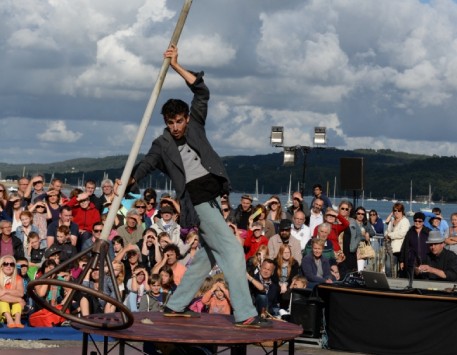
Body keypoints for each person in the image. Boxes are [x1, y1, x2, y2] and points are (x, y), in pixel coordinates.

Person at [127, 45, 265, 327]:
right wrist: (131, 178)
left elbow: (202, 92)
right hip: (197, 201)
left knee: (206, 257)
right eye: (171, 123)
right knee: (233, 251)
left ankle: (176, 304)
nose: (176, 127)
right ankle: (245, 312)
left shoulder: (195, 126)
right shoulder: (162, 144)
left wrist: (176, 65)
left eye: (179, 121)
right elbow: (147, 163)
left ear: (186, 119)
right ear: (165, 123)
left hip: (213, 198)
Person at [399, 212, 430, 279]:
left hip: (425, 260)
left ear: (423, 222)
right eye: (415, 220)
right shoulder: (410, 232)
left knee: (424, 279)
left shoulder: (428, 232)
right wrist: (401, 261)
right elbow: (404, 246)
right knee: (411, 278)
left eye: (420, 221)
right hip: (411, 260)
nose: (417, 222)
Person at [385, 203, 410, 278]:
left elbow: (402, 233)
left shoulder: (405, 221)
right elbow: (386, 231)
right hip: (390, 249)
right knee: (388, 268)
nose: (397, 212)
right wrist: (387, 234)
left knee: (402, 269)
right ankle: (389, 282)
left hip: (401, 249)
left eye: (399, 210)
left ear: (402, 211)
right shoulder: (392, 220)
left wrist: (389, 235)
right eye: (395, 210)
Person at [0, 255, 25, 328]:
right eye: (5, 264)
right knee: (3, 302)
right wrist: (19, 299)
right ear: (1, 266)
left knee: (16, 303)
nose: (8, 266)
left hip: (13, 309)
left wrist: (5, 291)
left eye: (11, 264)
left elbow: (20, 293)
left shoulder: (18, 278)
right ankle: (9, 320)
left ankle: (17, 321)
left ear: (14, 267)